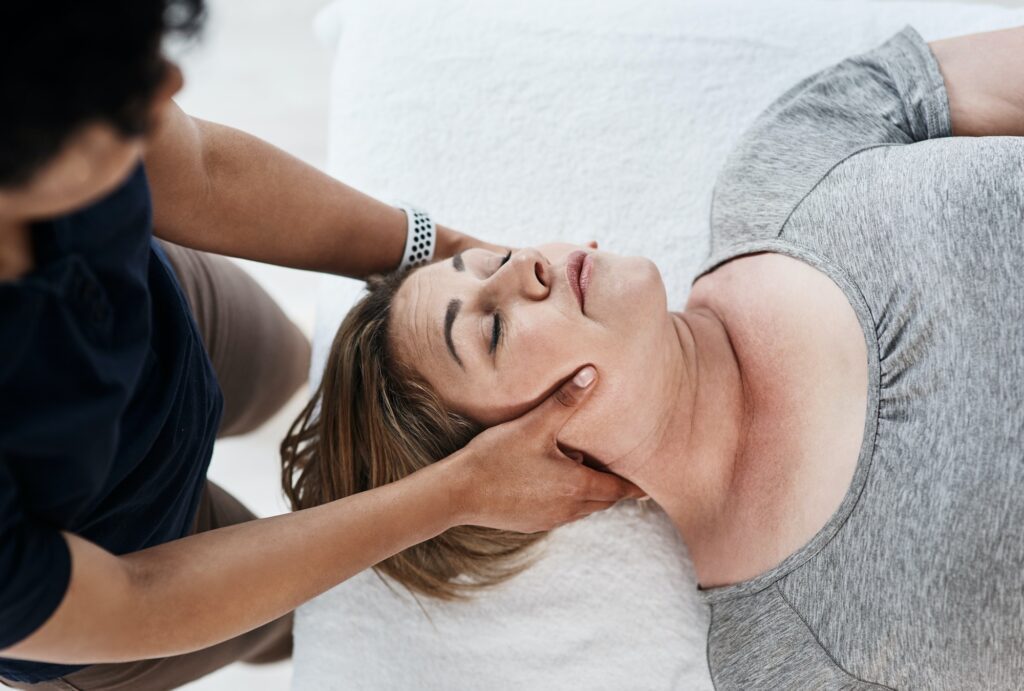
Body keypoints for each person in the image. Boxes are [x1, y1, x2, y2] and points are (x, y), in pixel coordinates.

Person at [289, 25, 1024, 688]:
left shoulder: (782, 166)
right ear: (526, 470)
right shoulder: (798, 656)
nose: (526, 270)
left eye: (495, 259)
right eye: (492, 331)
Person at [0, 1, 642, 688]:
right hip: (120, 558)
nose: (173, 87)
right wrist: (460, 490)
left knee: (283, 365)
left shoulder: (55, 80)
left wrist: (449, 250)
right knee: (292, 622)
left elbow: (206, 171)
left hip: (164, 313)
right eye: (128, 103)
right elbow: (141, 597)